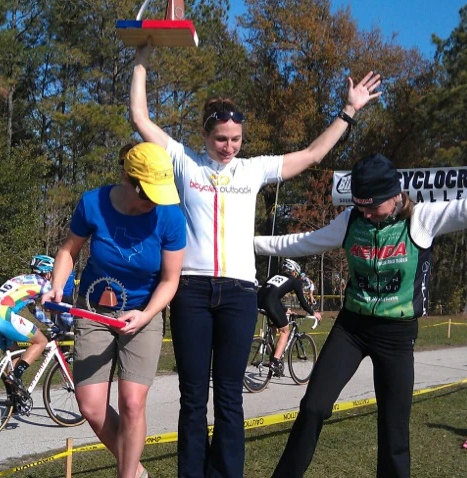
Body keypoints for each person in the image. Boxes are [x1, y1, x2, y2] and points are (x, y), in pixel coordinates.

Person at [254, 126, 467, 478]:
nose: (366, 214)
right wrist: (245, 242)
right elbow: (301, 242)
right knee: (312, 407)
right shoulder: (351, 219)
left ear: (395, 194)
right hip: (351, 329)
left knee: (394, 430)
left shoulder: (424, 219)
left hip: (396, 336)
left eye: (373, 207)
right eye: (360, 207)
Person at [130, 42, 381, 478]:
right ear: (205, 135)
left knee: (229, 394)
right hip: (189, 291)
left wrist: (348, 110)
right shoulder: (184, 161)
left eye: (236, 140)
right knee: (193, 396)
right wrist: (141, 61)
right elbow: (140, 119)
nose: (229, 147)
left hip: (239, 293)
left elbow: (312, 155)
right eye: (221, 139)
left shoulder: (252, 169)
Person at [43, 142, 186, 478]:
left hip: (142, 314)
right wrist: (56, 285)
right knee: (91, 407)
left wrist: (147, 315)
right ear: (126, 176)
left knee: (132, 403)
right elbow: (69, 251)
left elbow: (170, 280)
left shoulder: (170, 215)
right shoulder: (93, 203)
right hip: (93, 312)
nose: (153, 202)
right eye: (147, 194)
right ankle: (135, 471)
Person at [0, 254, 59, 399]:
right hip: (1, 316)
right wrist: (68, 322)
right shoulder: (44, 284)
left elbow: (33, 309)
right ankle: (16, 376)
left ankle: (14, 398)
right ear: (48, 272)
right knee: (41, 341)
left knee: (14, 352)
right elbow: (54, 306)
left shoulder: (23, 279)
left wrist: (51, 324)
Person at [259, 259, 322, 377]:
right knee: (285, 331)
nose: (296, 276)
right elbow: (302, 302)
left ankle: (268, 346)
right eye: (296, 273)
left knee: (275, 325)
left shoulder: (273, 276)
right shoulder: (295, 281)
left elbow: (270, 293)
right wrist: (313, 313)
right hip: (271, 302)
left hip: (259, 301)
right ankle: (275, 361)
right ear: (293, 271)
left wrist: (284, 309)